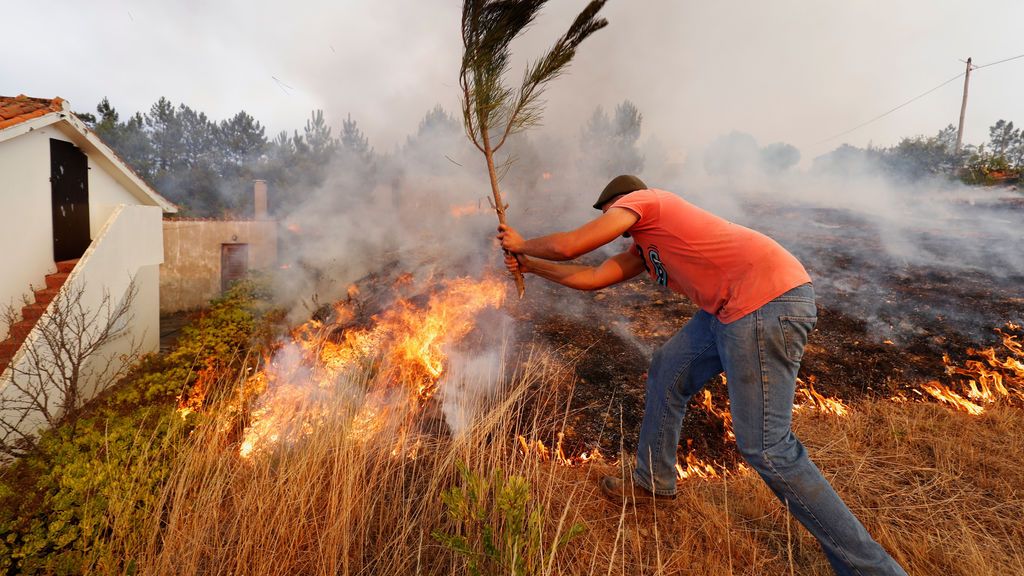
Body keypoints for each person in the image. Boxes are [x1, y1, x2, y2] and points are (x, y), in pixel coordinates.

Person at [497, 175, 906, 576]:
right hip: (727, 310)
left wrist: (522, 243)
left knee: (767, 448)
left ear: (622, 203)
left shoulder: (647, 201)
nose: (616, 228)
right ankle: (653, 483)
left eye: (611, 214)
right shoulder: (645, 247)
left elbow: (570, 246)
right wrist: (531, 266)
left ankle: (872, 569)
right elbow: (592, 278)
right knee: (667, 370)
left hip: (764, 302)